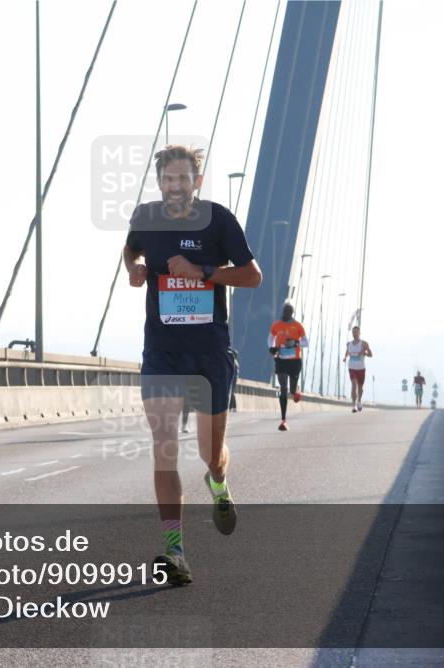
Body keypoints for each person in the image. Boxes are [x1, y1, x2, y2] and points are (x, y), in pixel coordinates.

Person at [124, 145, 261, 586]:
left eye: (183, 179)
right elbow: (129, 250)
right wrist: (137, 267)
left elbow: (252, 275)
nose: (175, 186)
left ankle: (218, 482)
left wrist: (204, 271)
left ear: (196, 183)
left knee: (208, 454)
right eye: (168, 179)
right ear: (159, 182)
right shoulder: (145, 217)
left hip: (208, 353)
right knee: (165, 447)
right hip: (162, 350)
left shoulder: (218, 220)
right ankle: (175, 552)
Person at [267, 303, 308, 431]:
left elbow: (306, 342)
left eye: (288, 312)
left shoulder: (298, 326)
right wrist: (272, 348)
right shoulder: (276, 325)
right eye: (284, 311)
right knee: (283, 387)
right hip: (281, 360)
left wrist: (295, 342)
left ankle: (296, 391)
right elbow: (270, 338)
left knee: (292, 391)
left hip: (295, 361)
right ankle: (283, 420)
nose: (285, 314)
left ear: (292, 313)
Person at [342, 326, 373, 413]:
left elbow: (371, 355)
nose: (354, 334)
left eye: (356, 332)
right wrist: (345, 357)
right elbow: (347, 351)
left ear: (359, 333)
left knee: (360, 387)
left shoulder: (364, 344)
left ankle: (359, 401)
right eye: (353, 332)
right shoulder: (349, 344)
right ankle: (354, 405)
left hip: (361, 368)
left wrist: (365, 353)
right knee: (353, 385)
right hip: (352, 367)